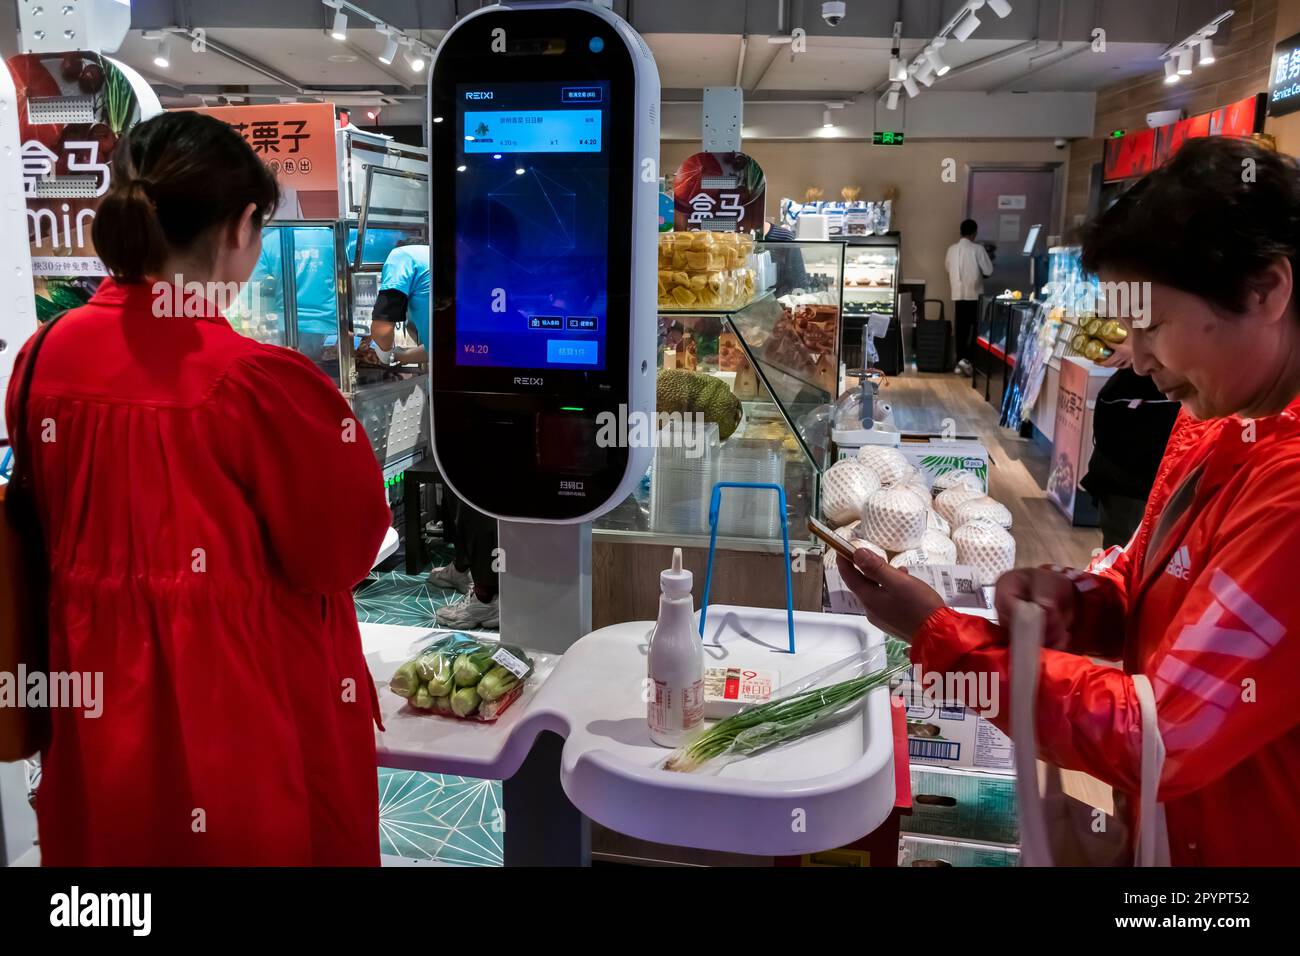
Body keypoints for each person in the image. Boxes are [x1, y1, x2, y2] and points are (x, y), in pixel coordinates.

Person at [836, 136, 1300, 865]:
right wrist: (1078, 601)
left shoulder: (1290, 490)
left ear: (1266, 290)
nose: (1138, 360)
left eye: (1152, 325)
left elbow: (1157, 737)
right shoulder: (1219, 420)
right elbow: (1158, 576)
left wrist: (940, 637)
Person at [4, 111, 391, 865]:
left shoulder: (42, 356)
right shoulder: (256, 382)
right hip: (240, 709)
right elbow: (340, 552)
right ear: (242, 225)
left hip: (94, 698)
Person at [1080, 341, 1179, 547]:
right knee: (1120, 546)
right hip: (1120, 472)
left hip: (1145, 474)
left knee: (1136, 551)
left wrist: (1137, 353)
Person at [370, 240, 431, 366]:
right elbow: (439, 348)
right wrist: (400, 355)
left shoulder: (401, 256)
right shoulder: (434, 256)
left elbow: (382, 329)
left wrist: (385, 354)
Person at [945, 218, 993, 376]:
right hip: (974, 295)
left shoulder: (951, 249)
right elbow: (988, 271)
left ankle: (959, 363)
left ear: (961, 232)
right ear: (974, 233)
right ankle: (970, 362)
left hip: (958, 295)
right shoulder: (977, 249)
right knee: (975, 330)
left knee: (960, 330)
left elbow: (947, 267)